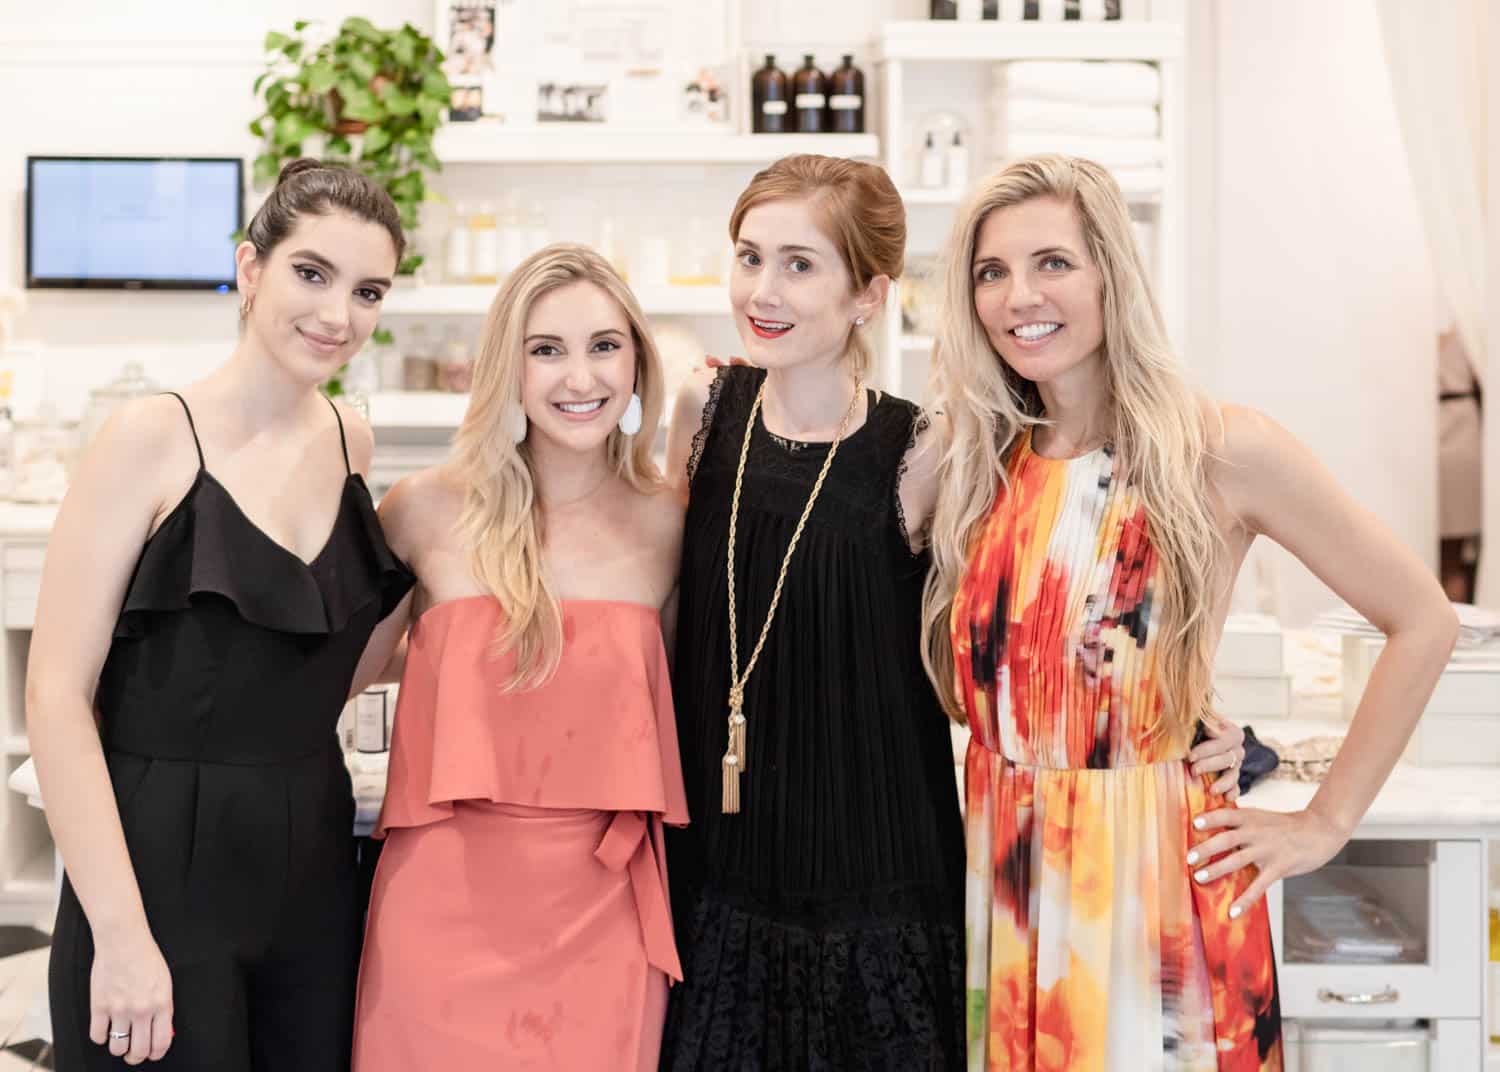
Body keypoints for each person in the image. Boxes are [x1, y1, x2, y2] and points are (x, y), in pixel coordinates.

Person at [658, 154, 1246, 1070]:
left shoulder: (935, 449)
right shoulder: (701, 409)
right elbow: (662, 608)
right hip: (720, 872)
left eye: (800, 263)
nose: (763, 290)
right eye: (749, 256)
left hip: (882, 882)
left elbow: (1046, 608)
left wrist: (1202, 711)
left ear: (869, 294)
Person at [921, 154, 1458, 1069]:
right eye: (992, 271)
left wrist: (1324, 821)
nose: (1020, 296)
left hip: (1154, 892)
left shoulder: (1216, 447)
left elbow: (1424, 619)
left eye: (1054, 262)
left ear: (1111, 275)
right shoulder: (980, 460)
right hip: (1006, 884)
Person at [30, 159, 415, 1070]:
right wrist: (121, 937)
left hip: (313, 869)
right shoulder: (150, 437)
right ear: (250, 268)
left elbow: (322, 665)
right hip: (155, 872)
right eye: (311, 274)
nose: (338, 315)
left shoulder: (351, 441)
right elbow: (54, 696)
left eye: (367, 292)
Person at [350, 244, 687, 1071]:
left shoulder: (671, 522)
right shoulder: (423, 510)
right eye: (547, 350)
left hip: (604, 911)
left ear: (637, 362)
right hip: (439, 906)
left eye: (604, 346)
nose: (581, 377)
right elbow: (339, 678)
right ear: (509, 366)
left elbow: (676, 696)